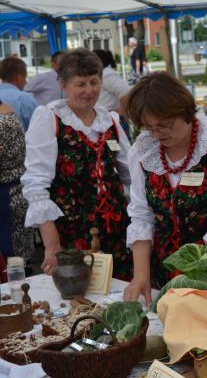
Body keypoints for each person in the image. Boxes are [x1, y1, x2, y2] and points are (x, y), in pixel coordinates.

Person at [123, 72, 207, 304]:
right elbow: (142, 217)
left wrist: (197, 278)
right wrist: (141, 275)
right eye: (149, 127)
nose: (156, 134)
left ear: (184, 112)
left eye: (164, 125)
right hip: (163, 274)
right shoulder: (144, 152)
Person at [20, 49, 132, 277]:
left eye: (94, 82)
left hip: (115, 226)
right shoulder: (49, 117)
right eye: (80, 84)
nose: (89, 90)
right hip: (71, 229)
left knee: (117, 290)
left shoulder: (109, 119)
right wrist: (51, 245)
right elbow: (36, 185)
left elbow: (131, 172)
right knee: (80, 297)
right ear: (63, 84)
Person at [0, 102, 34, 262]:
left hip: (7, 199)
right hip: (14, 193)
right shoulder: (8, 115)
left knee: (13, 268)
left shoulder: (2, 124)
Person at [93, 49, 131, 135]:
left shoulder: (106, 75)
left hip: (112, 118)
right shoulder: (101, 74)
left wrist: (121, 112)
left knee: (118, 147)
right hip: (105, 118)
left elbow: (126, 91)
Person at [0, 57, 38, 131]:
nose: (26, 82)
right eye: (25, 77)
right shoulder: (24, 99)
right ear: (19, 78)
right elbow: (37, 130)